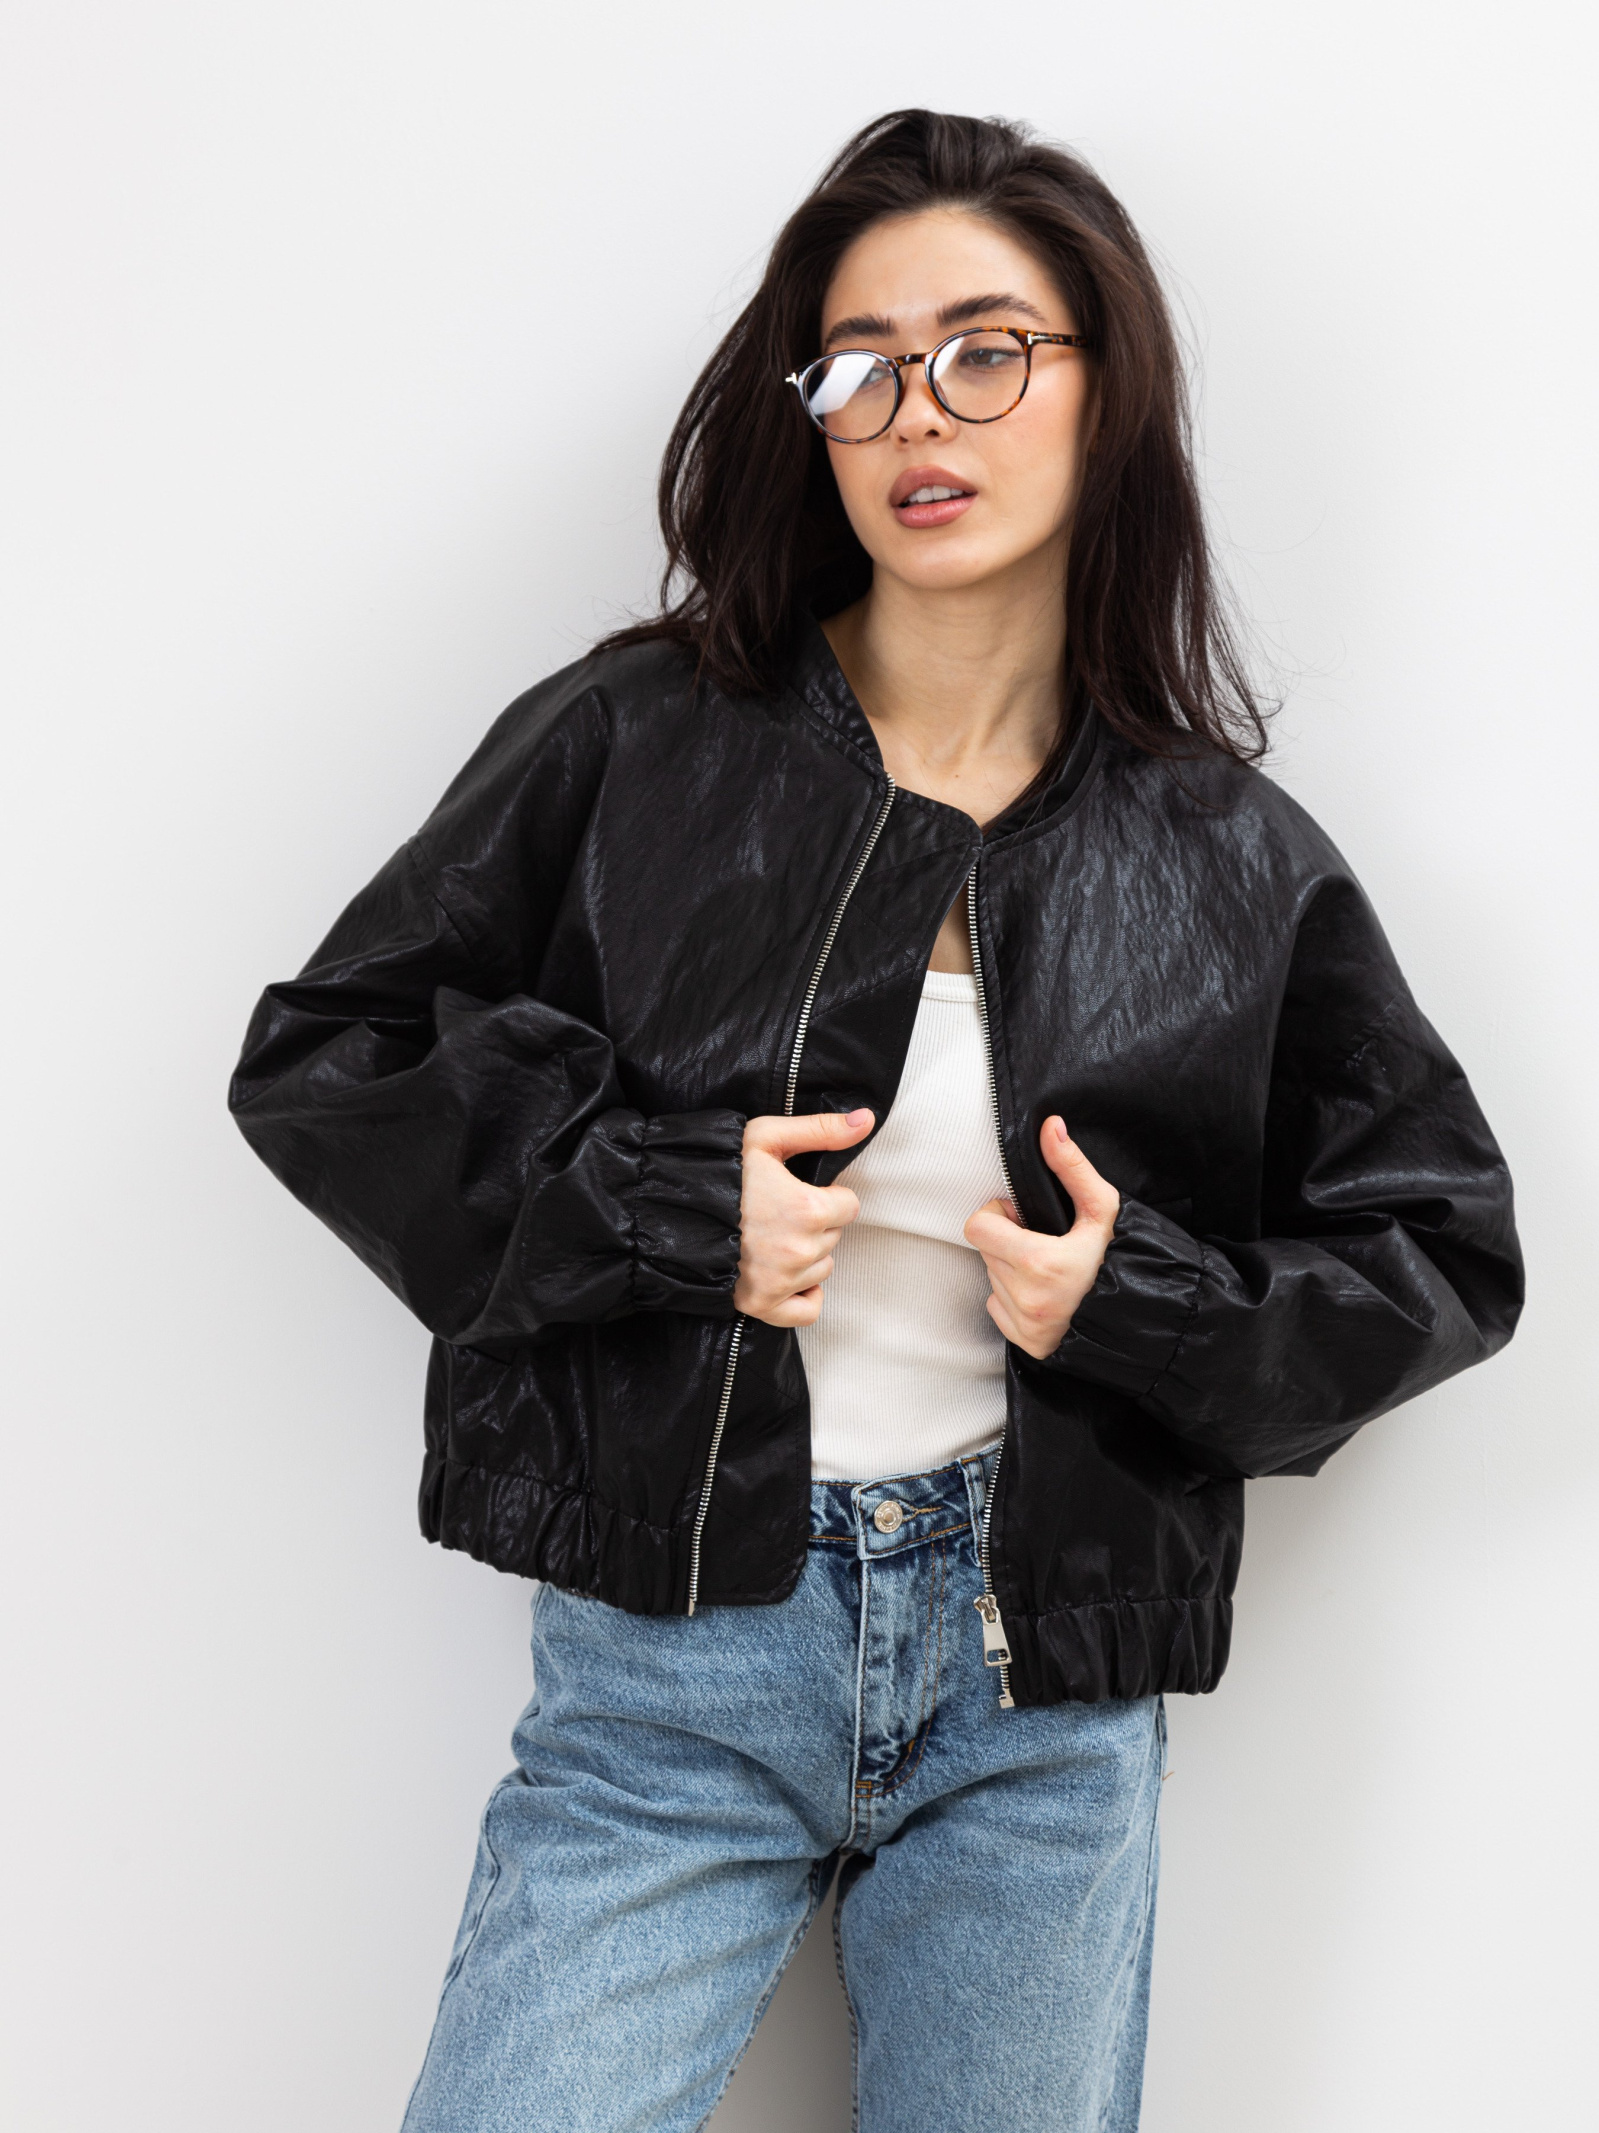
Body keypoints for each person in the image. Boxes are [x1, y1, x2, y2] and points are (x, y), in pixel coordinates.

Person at [229, 108, 1522, 2133]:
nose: (919, 409)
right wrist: (661, 1209)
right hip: (677, 1658)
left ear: (1105, 387)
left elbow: (1437, 1244)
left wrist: (1137, 1303)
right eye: (859, 364)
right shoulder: (638, 739)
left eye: (985, 349)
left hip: (1041, 1690)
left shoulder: (1227, 854)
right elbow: (332, 1054)